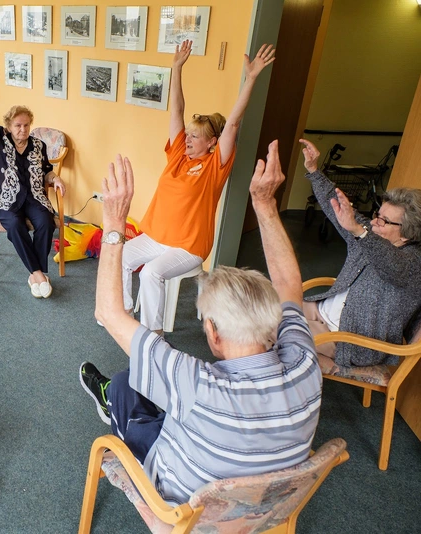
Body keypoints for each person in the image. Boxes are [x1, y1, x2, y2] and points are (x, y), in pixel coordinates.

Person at [79, 143, 321, 506]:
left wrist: (113, 223)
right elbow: (289, 285)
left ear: (214, 333)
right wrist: (265, 203)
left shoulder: (194, 383)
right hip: (266, 508)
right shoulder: (305, 365)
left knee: (126, 387)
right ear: (274, 325)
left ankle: (111, 403)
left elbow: (108, 314)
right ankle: (121, 398)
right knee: (134, 378)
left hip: (183, 509)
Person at [122, 40, 275, 333]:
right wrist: (176, 68)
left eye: (195, 136)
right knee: (121, 255)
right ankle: (126, 310)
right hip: (156, 236)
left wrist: (251, 78)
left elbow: (232, 125)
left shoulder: (213, 167)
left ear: (211, 143)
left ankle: (152, 335)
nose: (188, 139)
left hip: (189, 245)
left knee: (152, 272)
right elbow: (176, 111)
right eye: (188, 135)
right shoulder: (177, 155)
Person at [298, 139, 421, 372]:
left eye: (384, 220)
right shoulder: (370, 232)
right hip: (321, 312)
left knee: (268, 326)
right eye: (378, 214)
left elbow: (391, 264)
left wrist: (358, 231)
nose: (375, 222)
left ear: (406, 235)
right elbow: (338, 208)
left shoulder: (413, 262)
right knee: (262, 302)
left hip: (347, 340)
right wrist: (314, 170)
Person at [0, 67, 66, 298]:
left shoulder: (39, 145)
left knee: (46, 222)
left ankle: (34, 274)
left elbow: (47, 171)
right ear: (8, 126)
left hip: (35, 197)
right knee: (15, 226)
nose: (23, 129)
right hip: (6, 200)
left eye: (26, 125)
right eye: (18, 125)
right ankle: (37, 273)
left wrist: (56, 179)